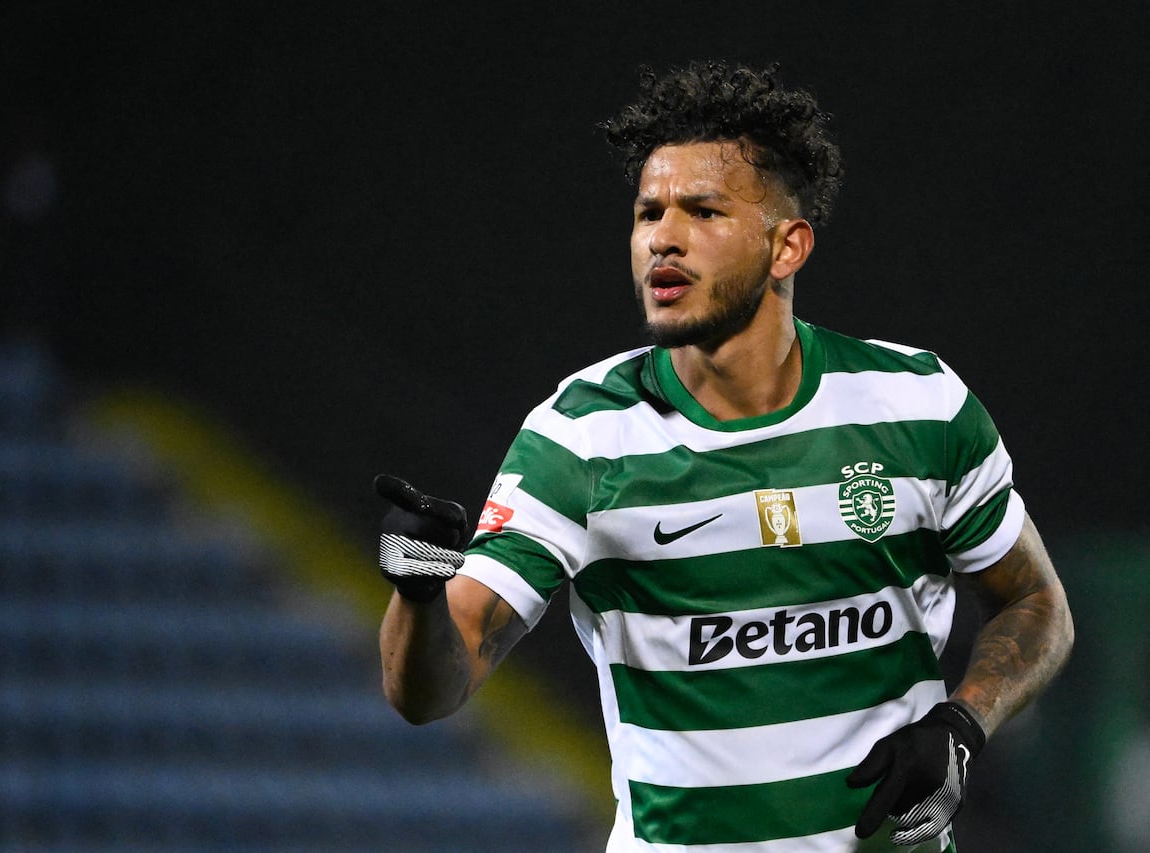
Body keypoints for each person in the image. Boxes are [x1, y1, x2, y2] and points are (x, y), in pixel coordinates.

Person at [374, 59, 1074, 852]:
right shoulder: (582, 438)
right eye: (649, 213)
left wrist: (961, 724)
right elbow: (429, 691)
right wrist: (419, 594)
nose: (663, 237)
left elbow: (1036, 603)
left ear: (787, 246)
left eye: (703, 211)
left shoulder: (919, 405)